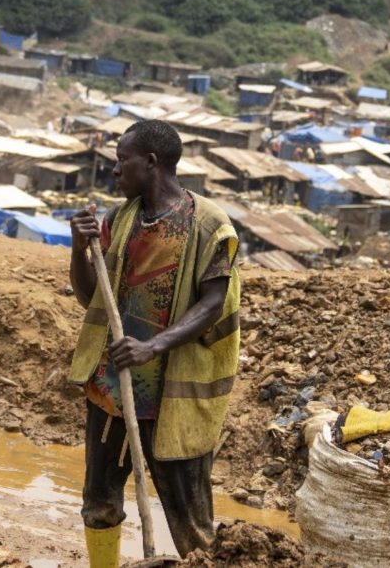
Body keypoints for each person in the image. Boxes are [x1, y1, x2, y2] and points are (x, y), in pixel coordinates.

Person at [67, 120, 241, 566]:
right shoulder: (120, 219)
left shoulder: (208, 225)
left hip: (172, 399)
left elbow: (214, 302)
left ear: (151, 162)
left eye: (122, 161)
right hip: (112, 391)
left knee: (192, 523)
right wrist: (79, 249)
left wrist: (153, 347)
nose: (115, 171)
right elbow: (92, 297)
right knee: (100, 504)